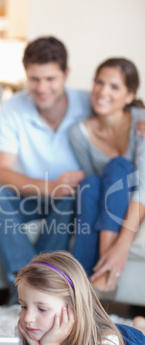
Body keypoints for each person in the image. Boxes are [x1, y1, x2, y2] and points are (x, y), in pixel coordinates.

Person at [0, 36, 92, 304]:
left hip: (69, 199)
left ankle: (44, 287)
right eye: (34, 79)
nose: (42, 88)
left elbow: (124, 112)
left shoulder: (89, 104)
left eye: (50, 79)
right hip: (32, 195)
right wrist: (50, 187)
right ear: (26, 75)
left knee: (69, 198)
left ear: (66, 74)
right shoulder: (13, 109)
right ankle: (23, 285)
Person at [15, 251, 145, 345]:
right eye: (23, 306)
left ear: (75, 308)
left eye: (42, 309)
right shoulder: (31, 332)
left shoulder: (104, 343)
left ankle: (140, 328)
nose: (28, 318)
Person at [69, 58, 145, 295]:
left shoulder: (140, 124)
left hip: (138, 203)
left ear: (129, 95)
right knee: (90, 184)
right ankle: (78, 284)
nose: (103, 91)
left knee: (119, 166)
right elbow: (97, 190)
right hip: (110, 203)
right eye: (99, 83)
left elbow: (143, 186)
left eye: (114, 87)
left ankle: (104, 272)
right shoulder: (79, 133)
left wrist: (120, 247)